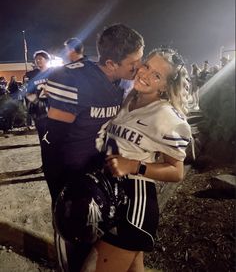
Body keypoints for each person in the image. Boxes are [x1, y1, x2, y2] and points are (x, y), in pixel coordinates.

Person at [76, 47, 192, 271]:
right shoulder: (129, 98)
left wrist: (134, 166)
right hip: (111, 194)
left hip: (134, 203)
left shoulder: (166, 116)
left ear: (165, 86)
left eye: (156, 75)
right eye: (147, 66)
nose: (145, 74)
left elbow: (177, 172)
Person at [42, 23, 144, 271]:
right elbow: (51, 141)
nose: (138, 67)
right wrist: (62, 191)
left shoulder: (121, 82)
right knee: (77, 250)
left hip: (101, 175)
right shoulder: (73, 80)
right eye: (133, 63)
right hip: (75, 180)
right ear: (111, 63)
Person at [25, 50, 51, 144]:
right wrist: (37, 102)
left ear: (47, 60)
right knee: (44, 138)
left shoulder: (55, 72)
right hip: (40, 110)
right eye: (36, 59)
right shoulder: (31, 75)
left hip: (54, 108)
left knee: (56, 137)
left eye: (40, 58)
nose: (38, 61)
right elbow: (27, 93)